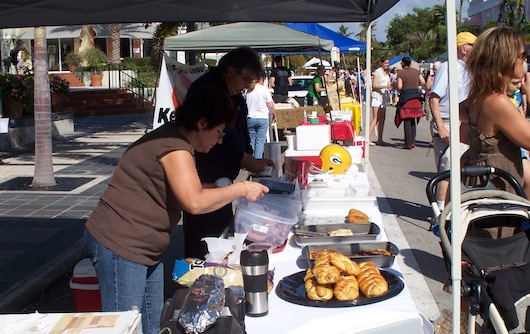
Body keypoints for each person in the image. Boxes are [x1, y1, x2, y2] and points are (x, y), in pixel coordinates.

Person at [84, 86, 270, 334]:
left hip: (146, 245)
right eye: (218, 132)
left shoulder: (177, 140)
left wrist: (214, 189)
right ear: (202, 123)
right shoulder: (175, 147)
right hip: (122, 244)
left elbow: (184, 191)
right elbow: (194, 202)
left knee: (154, 324)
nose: (219, 140)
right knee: (126, 327)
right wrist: (241, 189)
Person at [182, 47, 274, 259]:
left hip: (221, 180)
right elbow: (215, 139)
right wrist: (243, 158)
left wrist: (250, 156)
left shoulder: (233, 92)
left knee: (220, 238)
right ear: (231, 70)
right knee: (204, 242)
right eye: (246, 80)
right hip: (205, 177)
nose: (246, 86)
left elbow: (237, 131)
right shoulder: (208, 89)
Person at [460, 26, 530, 195]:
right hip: (501, 196)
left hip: (486, 190)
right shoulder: (497, 101)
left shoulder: (478, 97)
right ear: (505, 60)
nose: (525, 62)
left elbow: (463, 131)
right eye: (522, 56)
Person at [429, 31, 476, 211]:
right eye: (473, 46)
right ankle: (440, 210)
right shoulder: (447, 68)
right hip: (448, 122)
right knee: (447, 168)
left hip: (463, 122)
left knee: (456, 167)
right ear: (464, 48)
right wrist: (441, 126)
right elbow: (434, 98)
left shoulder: (470, 70)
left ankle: (450, 208)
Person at [396, 56, 425, 149]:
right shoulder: (416, 71)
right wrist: (416, 84)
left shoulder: (401, 73)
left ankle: (407, 143)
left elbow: (400, 86)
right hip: (416, 97)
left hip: (406, 97)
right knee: (413, 120)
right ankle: (413, 141)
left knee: (407, 120)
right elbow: (423, 81)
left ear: (403, 64)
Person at [245, 71, 276, 159]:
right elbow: (270, 105)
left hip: (250, 118)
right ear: (263, 78)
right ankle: (258, 160)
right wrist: (274, 114)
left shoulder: (248, 90)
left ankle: (250, 159)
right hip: (262, 118)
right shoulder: (265, 90)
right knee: (260, 141)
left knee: (251, 140)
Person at [369, 55, 392, 146]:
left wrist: (389, 87)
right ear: (381, 63)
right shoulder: (377, 72)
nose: (387, 65)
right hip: (377, 96)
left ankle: (380, 139)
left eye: (387, 63)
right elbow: (374, 85)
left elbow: (388, 84)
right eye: (385, 63)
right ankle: (368, 138)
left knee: (382, 118)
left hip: (383, 97)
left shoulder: (387, 73)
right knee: (376, 118)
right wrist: (385, 86)